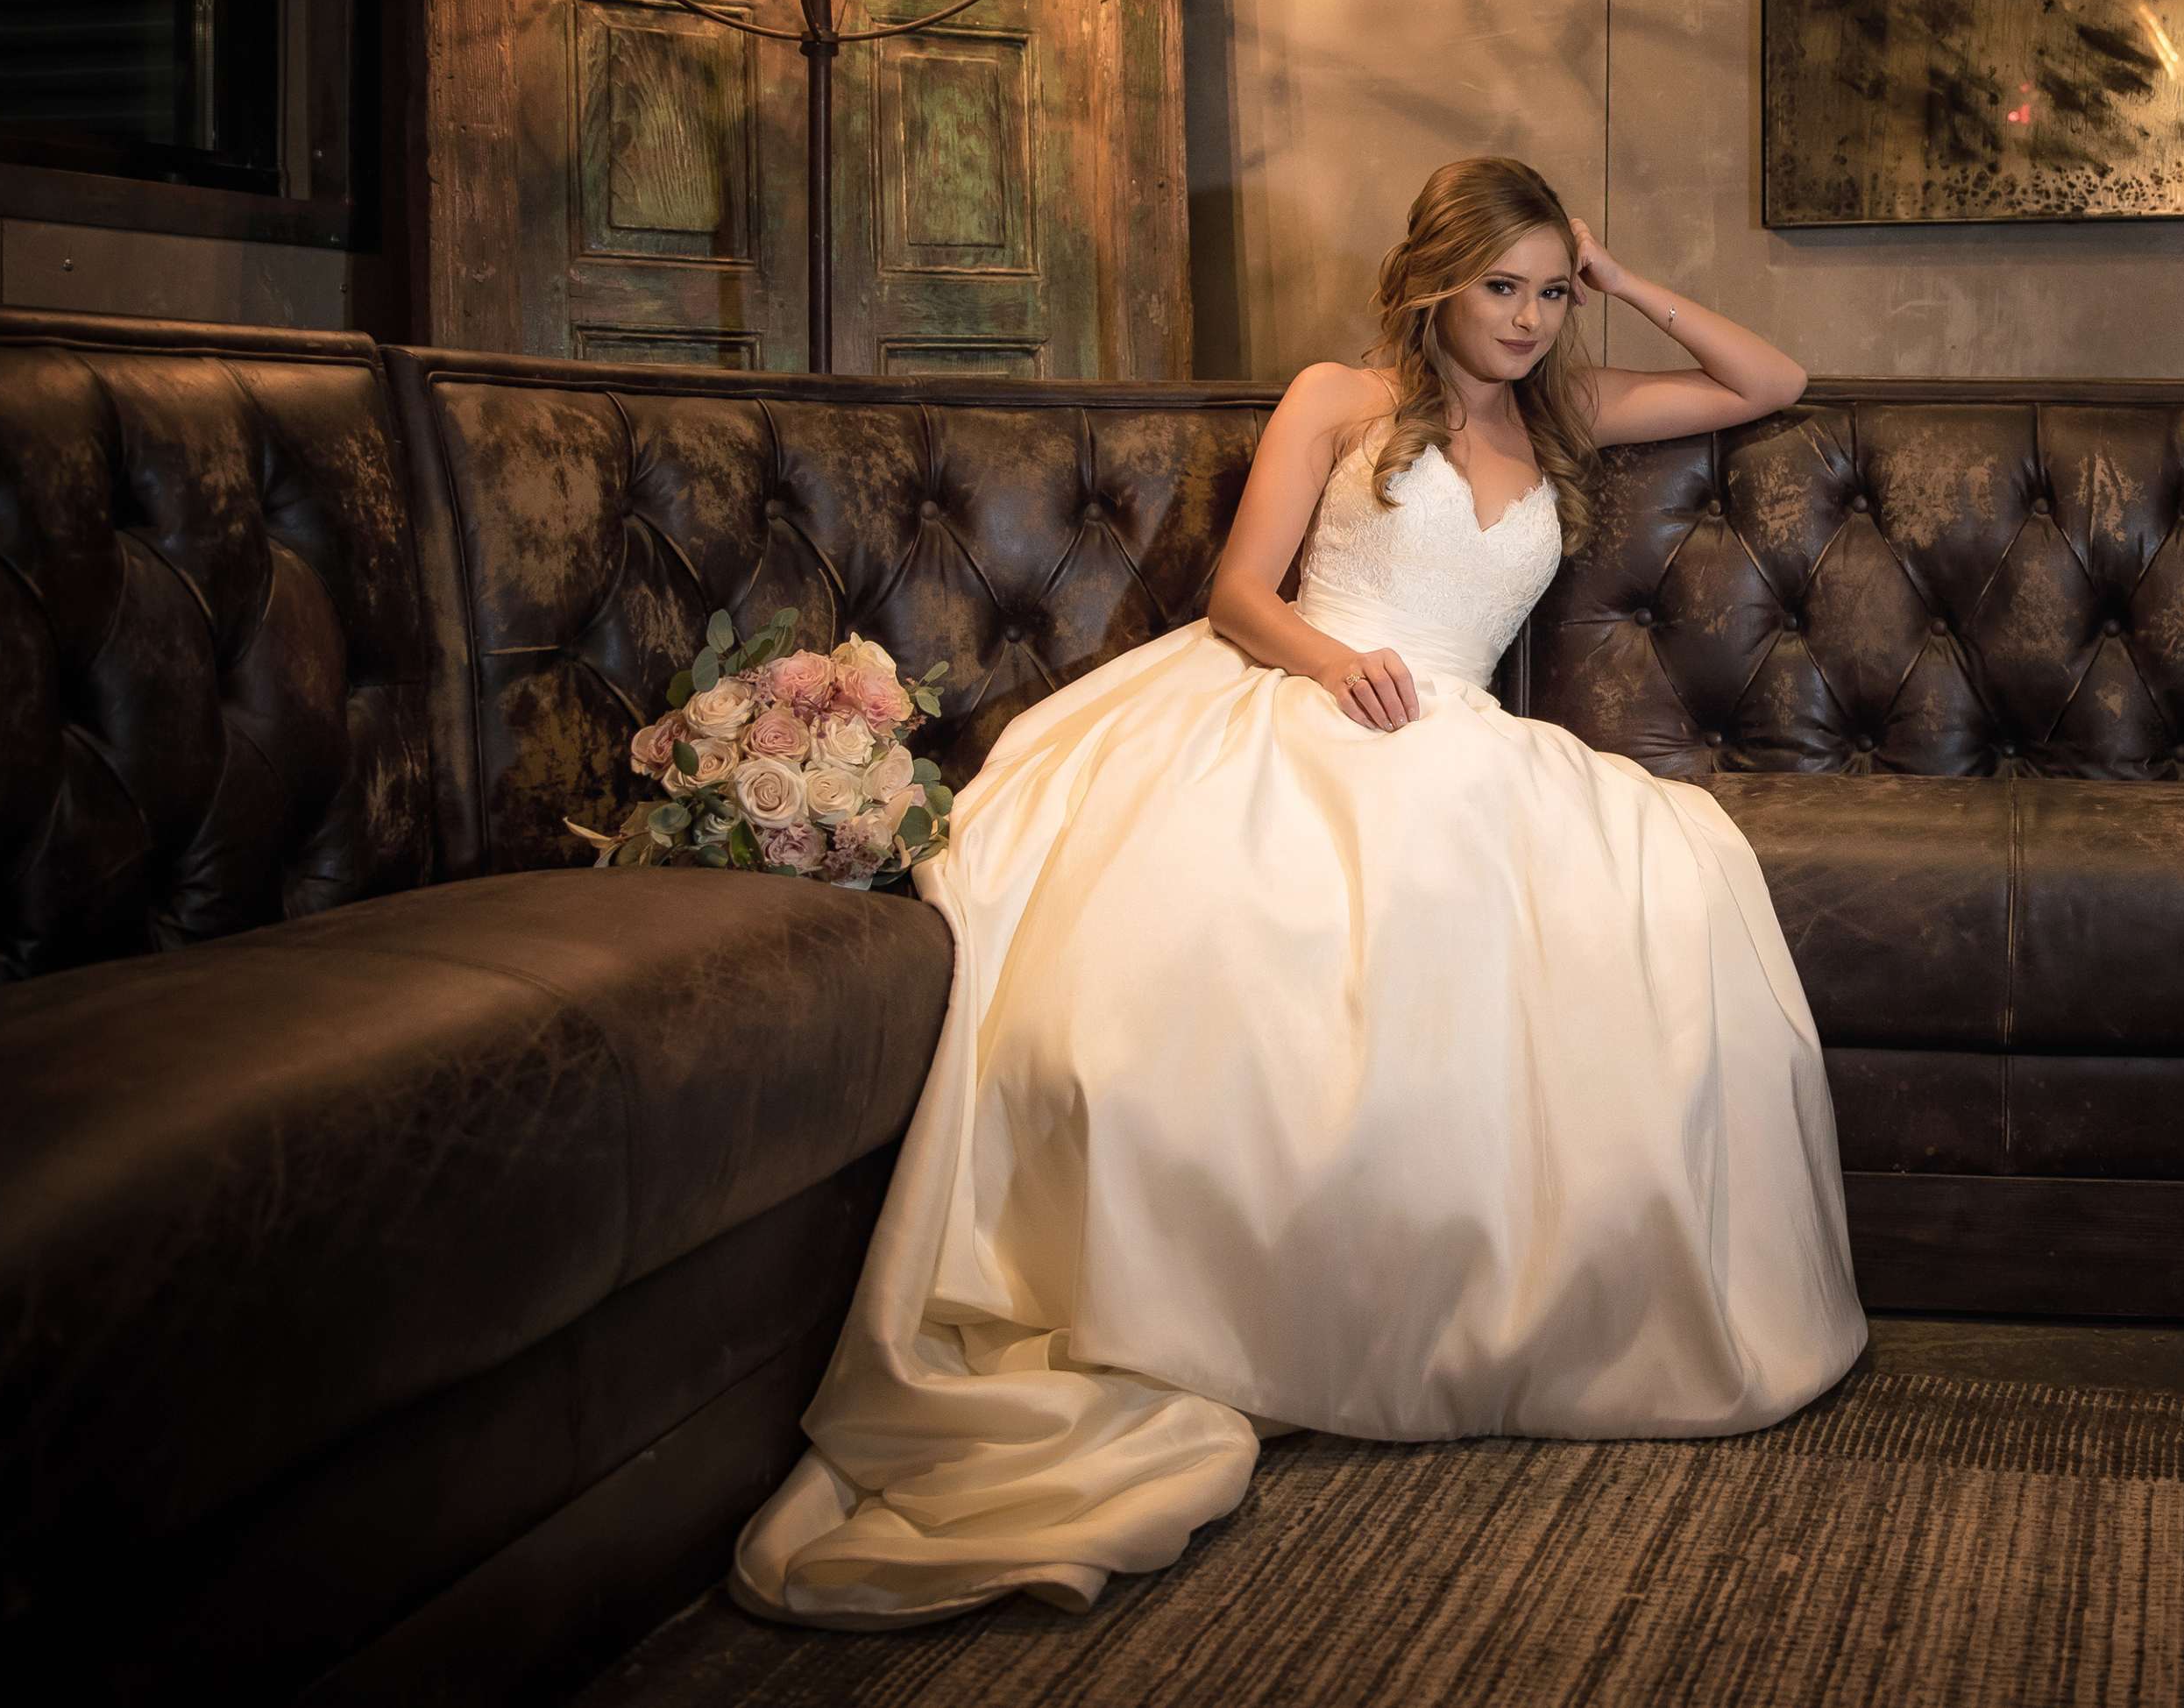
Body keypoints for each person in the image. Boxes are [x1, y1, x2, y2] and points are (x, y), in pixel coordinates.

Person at [728, 156, 1869, 1627]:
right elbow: (1240, 597)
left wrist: (1616, 270)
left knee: (1648, 886)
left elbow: (1767, 375)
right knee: (1263, 938)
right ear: (1433, 284)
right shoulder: (1336, 396)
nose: (1523, 320)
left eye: (1542, 291)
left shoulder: (1562, 413)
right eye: (1497, 288)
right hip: (1306, 687)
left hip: (1457, 727)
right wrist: (1335, 667)